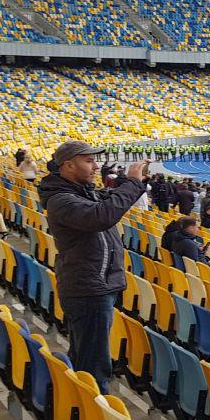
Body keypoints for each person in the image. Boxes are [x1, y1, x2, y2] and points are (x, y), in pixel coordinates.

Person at [38, 141, 149, 392]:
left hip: (93, 283)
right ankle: (94, 407)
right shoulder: (62, 200)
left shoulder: (79, 192)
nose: (96, 166)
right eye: (89, 161)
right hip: (89, 288)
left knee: (86, 353)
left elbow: (107, 202)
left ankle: (79, 401)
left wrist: (131, 182)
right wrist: (132, 183)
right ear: (68, 165)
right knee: (94, 364)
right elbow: (101, 216)